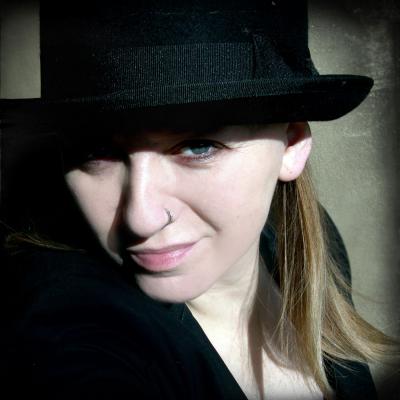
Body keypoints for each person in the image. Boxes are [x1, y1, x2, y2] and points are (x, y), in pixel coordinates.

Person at [0, 1, 397, 399]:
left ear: (291, 145)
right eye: (97, 152)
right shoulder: (73, 325)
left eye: (197, 147)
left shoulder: (308, 239)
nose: (141, 218)